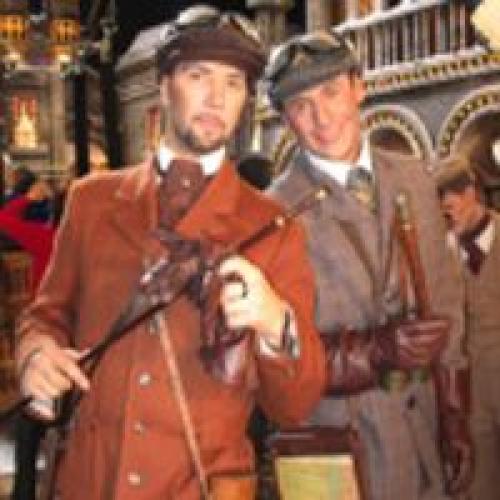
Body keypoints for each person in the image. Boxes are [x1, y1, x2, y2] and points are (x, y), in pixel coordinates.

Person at [14, 6, 325, 500]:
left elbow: (295, 404)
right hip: (92, 479)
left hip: (197, 485)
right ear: (164, 87)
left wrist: (275, 324)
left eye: (233, 83)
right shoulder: (92, 201)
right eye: (198, 76)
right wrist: (36, 354)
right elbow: (46, 316)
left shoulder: (273, 227)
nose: (216, 98)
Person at [266, 30, 472, 500]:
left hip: (423, 439)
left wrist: (455, 416)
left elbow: (446, 304)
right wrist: (375, 353)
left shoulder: (413, 177)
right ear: (285, 120)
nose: (321, 118)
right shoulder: (273, 212)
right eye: (300, 105)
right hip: (341, 450)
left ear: (359, 87)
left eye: (331, 92)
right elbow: (278, 363)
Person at [436, 155, 500, 500]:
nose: (447, 221)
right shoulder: (440, 256)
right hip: (471, 404)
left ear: (471, 193)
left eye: (450, 210)